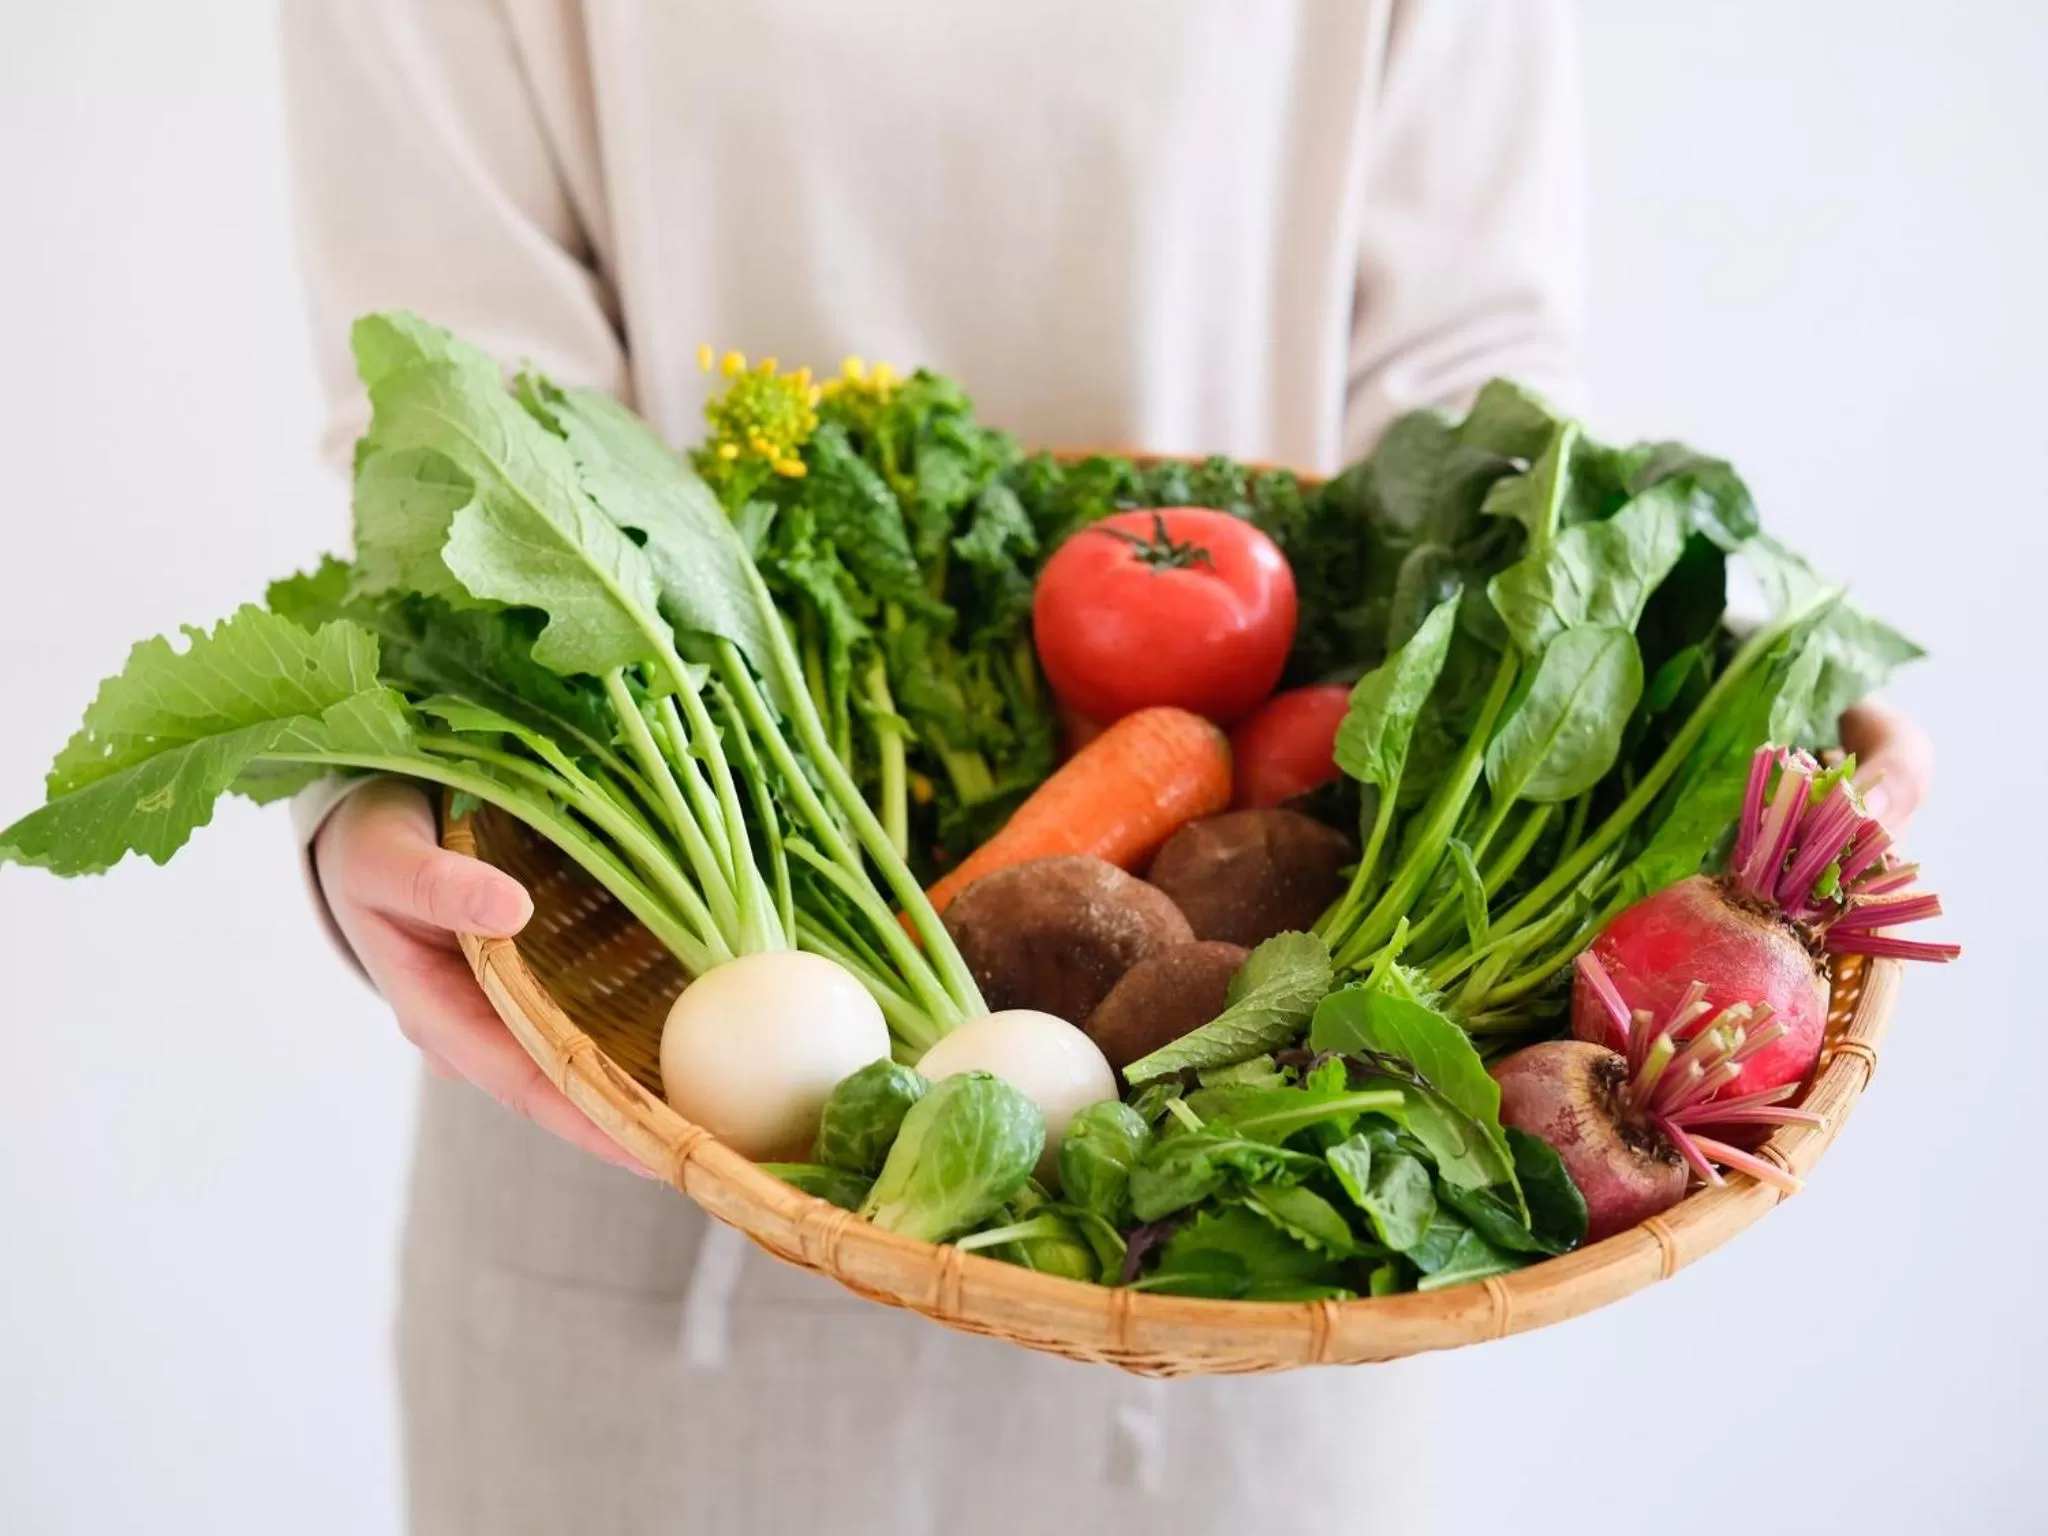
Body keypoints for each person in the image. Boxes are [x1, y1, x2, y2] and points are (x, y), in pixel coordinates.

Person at [279, 4, 1933, 1532]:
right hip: (653, 1097)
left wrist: (1705, 675)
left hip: (1251, 1223)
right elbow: (452, 416)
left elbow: (1467, 393)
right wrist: (374, 805)